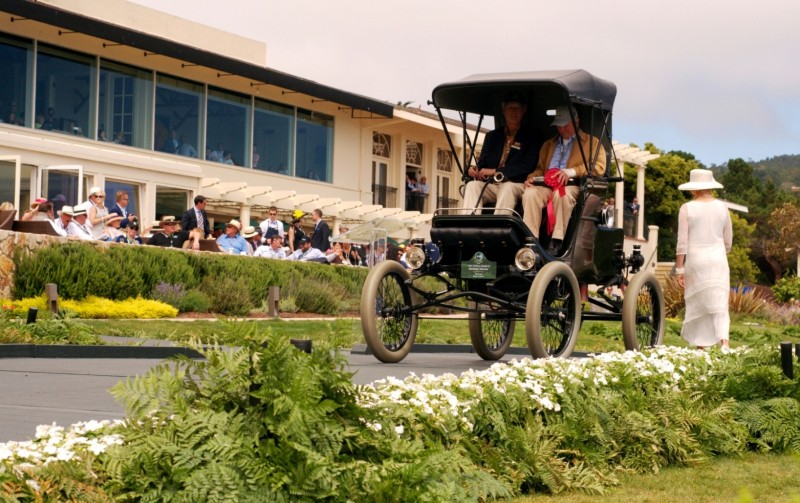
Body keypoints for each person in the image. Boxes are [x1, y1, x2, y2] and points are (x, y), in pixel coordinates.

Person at [522, 106, 606, 254]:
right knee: (530, 194)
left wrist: (573, 171)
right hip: (546, 185)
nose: (562, 129)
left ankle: (557, 240)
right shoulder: (549, 144)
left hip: (572, 185)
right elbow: (540, 168)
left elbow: (599, 167)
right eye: (559, 126)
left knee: (562, 195)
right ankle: (531, 242)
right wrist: (531, 178)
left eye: (565, 125)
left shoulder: (592, 142)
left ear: (577, 121)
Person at [675, 169, 732, 349]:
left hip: (696, 259)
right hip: (718, 257)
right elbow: (728, 240)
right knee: (720, 302)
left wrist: (679, 269)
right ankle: (724, 343)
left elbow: (682, 241)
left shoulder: (687, 208)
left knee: (699, 301)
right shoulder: (723, 207)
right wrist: (722, 252)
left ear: (693, 188)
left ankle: (701, 347)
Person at [463, 92, 540, 215]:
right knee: (472, 185)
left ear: (524, 111)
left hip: (517, 185)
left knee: (507, 187)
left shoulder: (532, 137)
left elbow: (527, 166)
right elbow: (482, 163)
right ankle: (468, 227)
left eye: (517, 108)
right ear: (503, 110)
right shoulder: (492, 136)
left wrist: (496, 171)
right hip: (493, 185)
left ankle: (498, 230)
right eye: (510, 108)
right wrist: (473, 169)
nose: (513, 112)